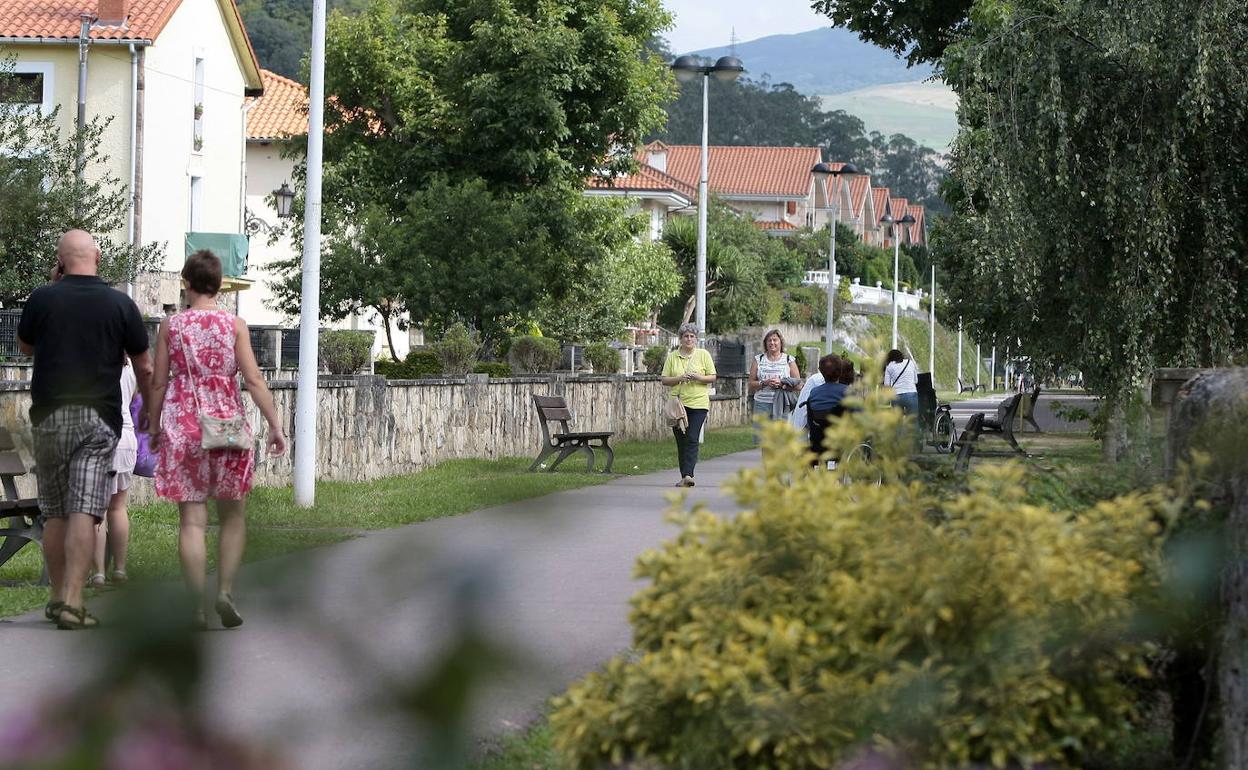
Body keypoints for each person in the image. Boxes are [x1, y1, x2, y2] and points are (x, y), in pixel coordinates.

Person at [16, 230, 153, 629]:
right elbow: (144, 365)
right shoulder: (120, 303)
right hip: (98, 420)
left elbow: (25, 347)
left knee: (55, 511)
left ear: (60, 261)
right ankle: (74, 603)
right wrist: (148, 411)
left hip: (49, 418)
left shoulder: (42, 298)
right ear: (97, 255)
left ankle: (58, 597)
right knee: (84, 510)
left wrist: (53, 289)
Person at [148, 250, 287, 630]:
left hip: (185, 427)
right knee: (233, 516)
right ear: (219, 284)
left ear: (187, 283)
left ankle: (196, 607)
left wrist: (155, 425)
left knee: (192, 522)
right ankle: (224, 590)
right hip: (226, 427)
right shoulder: (235, 325)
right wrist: (275, 425)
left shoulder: (171, 327)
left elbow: (158, 381)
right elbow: (254, 379)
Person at [88, 360, 137, 588]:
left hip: (99, 436)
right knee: (118, 507)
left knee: (97, 509)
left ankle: (98, 572)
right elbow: (134, 397)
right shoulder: (130, 366)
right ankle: (119, 568)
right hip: (126, 438)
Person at [660, 323, 717, 487]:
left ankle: (688, 475)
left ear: (696, 339)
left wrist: (699, 377)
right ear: (681, 339)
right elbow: (664, 380)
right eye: (686, 336)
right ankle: (684, 474)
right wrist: (679, 378)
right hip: (678, 404)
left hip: (698, 403)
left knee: (692, 438)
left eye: (692, 336)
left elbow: (712, 376)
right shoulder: (673, 356)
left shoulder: (703, 354)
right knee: (681, 440)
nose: (689, 339)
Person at [748, 330, 802, 435]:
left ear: (780, 342)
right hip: (762, 405)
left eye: (775, 340)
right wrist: (765, 382)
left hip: (783, 405)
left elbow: (799, 385)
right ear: (765, 343)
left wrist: (782, 385)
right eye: (769, 340)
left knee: (781, 439)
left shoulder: (789, 360)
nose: (772, 343)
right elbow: (750, 384)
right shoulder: (758, 359)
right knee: (764, 440)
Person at [883, 349, 918, 415]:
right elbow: (916, 381)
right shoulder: (909, 362)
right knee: (912, 421)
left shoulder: (889, 366)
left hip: (896, 395)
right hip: (911, 394)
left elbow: (887, 385)